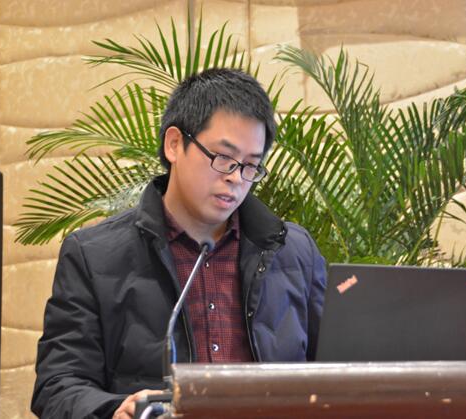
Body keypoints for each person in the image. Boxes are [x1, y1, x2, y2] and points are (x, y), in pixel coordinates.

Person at [31, 68, 326, 419]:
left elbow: (337, 369)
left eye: (251, 165)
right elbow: (58, 385)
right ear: (174, 144)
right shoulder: (93, 255)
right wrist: (114, 410)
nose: (235, 178)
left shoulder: (294, 251)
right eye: (223, 158)